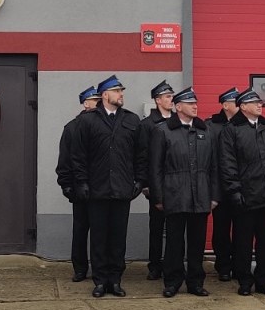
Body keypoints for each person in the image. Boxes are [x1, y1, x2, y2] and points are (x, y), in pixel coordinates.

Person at [65, 75, 147, 298]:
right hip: (97, 190)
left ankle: (115, 280)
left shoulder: (131, 120)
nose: (121, 94)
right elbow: (78, 156)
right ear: (105, 95)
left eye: (121, 91)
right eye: (117, 91)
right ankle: (100, 281)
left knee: (118, 238)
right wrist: (82, 182)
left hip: (122, 189)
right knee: (99, 238)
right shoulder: (88, 121)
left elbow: (141, 154)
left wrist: (139, 180)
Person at [148, 87, 220, 297]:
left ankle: (196, 282)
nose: (195, 106)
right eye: (190, 103)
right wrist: (158, 197)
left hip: (201, 196)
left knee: (197, 243)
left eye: (195, 102)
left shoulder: (206, 131)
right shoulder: (163, 131)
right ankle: (172, 282)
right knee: (174, 243)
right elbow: (155, 168)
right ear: (178, 107)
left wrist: (214, 195)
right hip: (175, 195)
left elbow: (214, 167)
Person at [219, 89, 265, 296]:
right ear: (243, 107)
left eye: (260, 102)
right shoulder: (232, 130)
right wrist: (234, 191)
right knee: (243, 242)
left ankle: (262, 280)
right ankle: (244, 280)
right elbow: (227, 163)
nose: (260, 105)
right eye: (254, 102)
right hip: (246, 197)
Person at [55, 86, 101, 282]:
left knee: (100, 232)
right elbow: (65, 159)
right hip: (79, 187)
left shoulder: (105, 126)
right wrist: (66, 184)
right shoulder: (72, 127)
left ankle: (99, 268)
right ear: (86, 104)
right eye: (95, 101)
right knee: (81, 230)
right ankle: (80, 268)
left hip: (100, 187)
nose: (98, 104)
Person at [142, 80, 176, 280]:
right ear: (157, 100)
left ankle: (173, 264)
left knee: (174, 229)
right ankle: (154, 265)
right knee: (156, 227)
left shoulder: (177, 120)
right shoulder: (147, 124)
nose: (171, 100)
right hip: (157, 184)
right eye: (167, 97)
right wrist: (146, 184)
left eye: (172, 96)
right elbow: (143, 156)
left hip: (176, 184)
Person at [209, 87, 241, 282]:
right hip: (220, 188)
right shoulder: (212, 126)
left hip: (240, 188)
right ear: (226, 105)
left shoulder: (244, 125)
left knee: (241, 230)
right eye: (236, 102)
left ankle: (239, 265)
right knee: (221, 230)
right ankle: (223, 265)